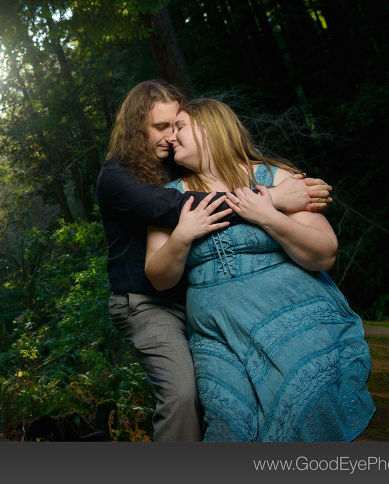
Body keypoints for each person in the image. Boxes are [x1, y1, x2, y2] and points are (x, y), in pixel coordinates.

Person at [96, 80, 334, 442]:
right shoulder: (117, 177)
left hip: (199, 305)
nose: (171, 136)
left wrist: (278, 192)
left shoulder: (177, 166)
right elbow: (179, 209)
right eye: (162, 127)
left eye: (178, 126)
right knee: (182, 395)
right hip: (147, 303)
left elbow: (219, 174)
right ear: (136, 127)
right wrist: (269, 199)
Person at [144, 98, 375, 441]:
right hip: (218, 331)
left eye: (180, 127)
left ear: (211, 129)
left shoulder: (276, 177)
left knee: (304, 393)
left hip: (289, 307)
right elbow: (158, 278)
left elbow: (324, 254)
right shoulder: (168, 198)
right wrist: (182, 236)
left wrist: (267, 215)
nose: (172, 137)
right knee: (226, 423)